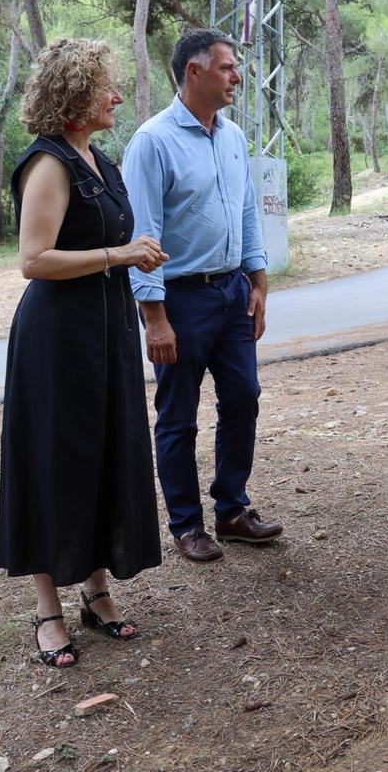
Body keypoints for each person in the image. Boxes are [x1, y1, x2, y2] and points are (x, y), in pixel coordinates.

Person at [0, 38, 167, 668]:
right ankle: (47, 610)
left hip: (107, 332)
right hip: (56, 340)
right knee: (52, 458)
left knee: (102, 451)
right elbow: (34, 261)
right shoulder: (48, 164)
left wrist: (135, 252)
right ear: (75, 95)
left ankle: (96, 590)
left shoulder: (99, 159)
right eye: (105, 87)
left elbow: (107, 239)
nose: (117, 97)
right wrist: (119, 255)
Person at [125, 28, 282, 562]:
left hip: (232, 293)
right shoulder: (152, 141)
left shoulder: (232, 137)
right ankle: (186, 525)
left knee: (243, 398)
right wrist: (154, 317)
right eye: (227, 67)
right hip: (180, 299)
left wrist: (258, 281)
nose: (237, 76)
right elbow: (140, 233)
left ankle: (232, 510)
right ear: (194, 72)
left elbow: (245, 213)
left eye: (235, 68)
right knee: (178, 415)